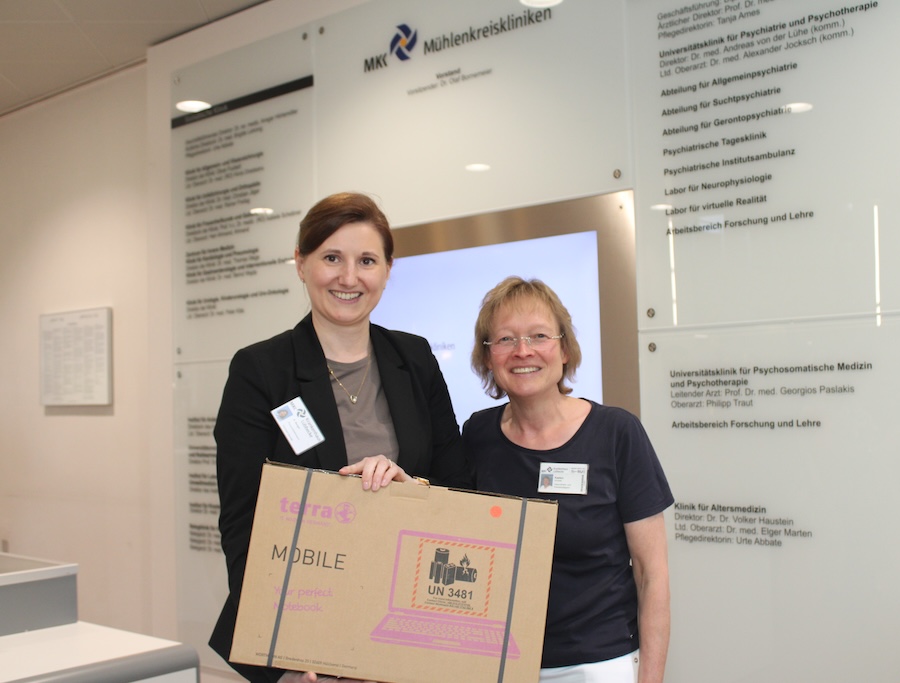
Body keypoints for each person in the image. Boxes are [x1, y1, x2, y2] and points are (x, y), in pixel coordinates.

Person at [209, 192, 471, 683]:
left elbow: (458, 489)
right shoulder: (261, 371)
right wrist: (285, 652)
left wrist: (411, 486)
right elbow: (244, 522)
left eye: (367, 261)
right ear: (301, 263)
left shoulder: (415, 359)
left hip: (408, 627)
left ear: (388, 270)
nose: (349, 278)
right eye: (332, 257)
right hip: (305, 641)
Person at [463, 277, 674, 683]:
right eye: (505, 339)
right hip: (500, 662)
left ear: (564, 349)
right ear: (487, 358)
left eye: (539, 336)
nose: (523, 351)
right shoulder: (477, 435)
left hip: (599, 664)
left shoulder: (616, 433)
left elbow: (652, 574)